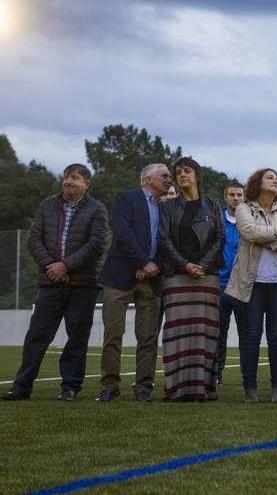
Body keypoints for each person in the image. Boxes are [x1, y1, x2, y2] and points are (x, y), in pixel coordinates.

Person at [2, 164, 108, 401]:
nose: (68, 181)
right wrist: (52, 266)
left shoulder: (97, 209)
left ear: (86, 183)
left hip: (83, 285)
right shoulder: (47, 205)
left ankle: (70, 388)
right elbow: (33, 239)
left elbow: (96, 244)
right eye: (66, 177)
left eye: (75, 178)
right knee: (36, 336)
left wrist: (66, 265)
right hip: (51, 282)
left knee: (77, 337)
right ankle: (21, 387)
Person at [225, 168, 277, 403]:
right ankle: (250, 388)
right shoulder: (243, 208)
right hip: (252, 284)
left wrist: (276, 244)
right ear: (258, 182)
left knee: (276, 336)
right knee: (251, 336)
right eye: (270, 177)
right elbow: (249, 232)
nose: (276, 181)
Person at [96, 163, 172, 402]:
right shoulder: (126, 199)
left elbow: (167, 243)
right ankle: (110, 385)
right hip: (119, 276)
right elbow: (122, 231)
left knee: (148, 336)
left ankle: (143, 387)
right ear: (148, 179)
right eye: (165, 176)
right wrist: (141, 262)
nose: (170, 180)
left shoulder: (167, 209)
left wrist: (153, 266)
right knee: (113, 333)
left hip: (151, 279)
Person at [156, 157, 225, 401]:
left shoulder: (213, 205)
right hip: (177, 277)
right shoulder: (167, 208)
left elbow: (220, 239)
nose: (182, 175)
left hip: (206, 278)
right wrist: (185, 265)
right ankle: (176, 389)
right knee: (176, 334)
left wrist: (202, 266)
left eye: (187, 171)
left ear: (197, 175)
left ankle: (202, 389)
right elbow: (163, 240)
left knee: (205, 334)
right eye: (178, 172)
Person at [216, 181, 247, 386]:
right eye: (232, 194)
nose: (235, 198)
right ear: (225, 197)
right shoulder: (216, 221)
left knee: (247, 333)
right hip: (219, 284)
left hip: (243, 286)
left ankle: (248, 376)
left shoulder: (250, 223)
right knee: (218, 333)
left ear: (244, 198)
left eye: (239, 195)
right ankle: (216, 374)